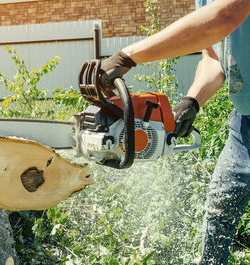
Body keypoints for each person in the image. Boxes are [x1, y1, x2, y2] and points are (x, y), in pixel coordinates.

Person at [99, 0, 250, 264]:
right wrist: (193, 101)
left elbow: (225, 17)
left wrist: (127, 56)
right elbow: (214, 57)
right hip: (244, 126)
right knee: (220, 210)